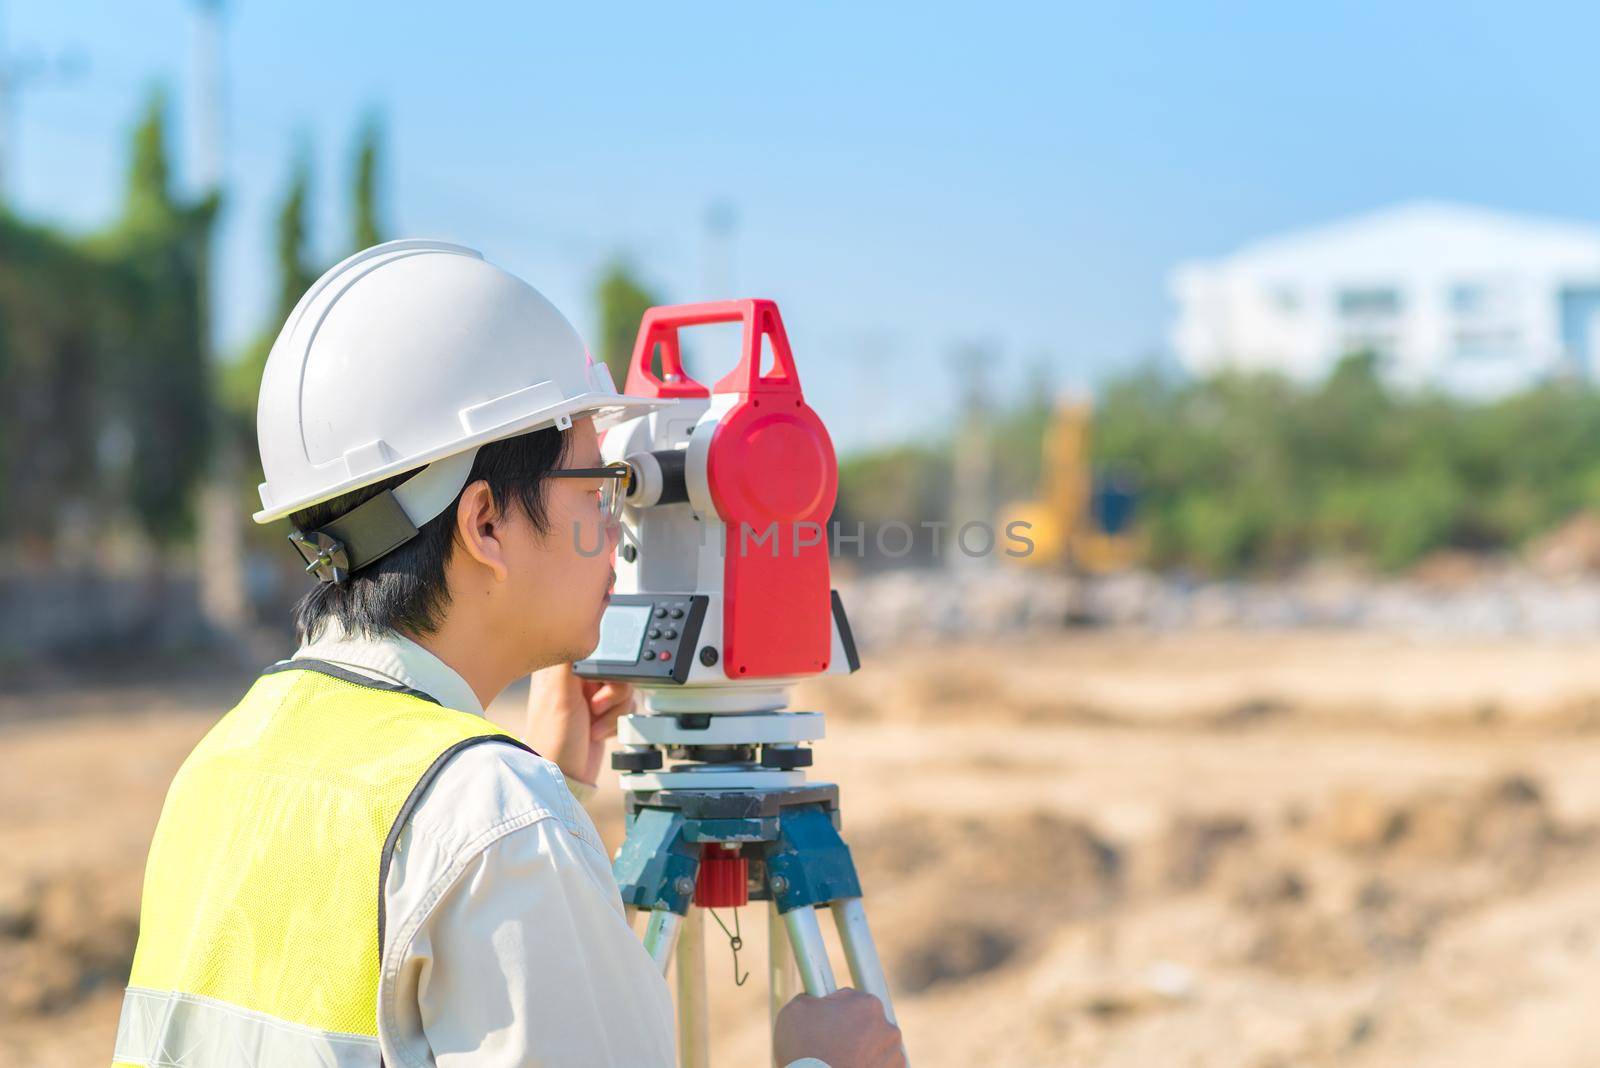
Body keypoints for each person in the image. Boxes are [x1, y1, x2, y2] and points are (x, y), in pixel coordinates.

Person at [111, 240, 904, 1068]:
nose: (617, 531)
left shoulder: (226, 759)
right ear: (485, 522)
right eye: (601, 489)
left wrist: (540, 792)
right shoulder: (493, 823)